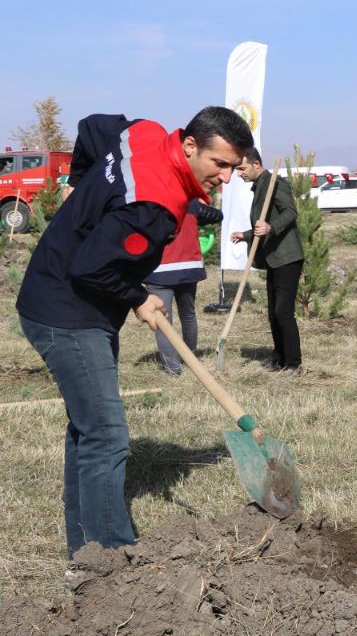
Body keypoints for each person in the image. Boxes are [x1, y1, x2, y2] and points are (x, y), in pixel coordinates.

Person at [16, 107, 252, 559]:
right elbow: (91, 268)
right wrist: (140, 297)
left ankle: (84, 554)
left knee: (88, 431)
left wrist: (79, 183)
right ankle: (113, 561)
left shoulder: (144, 133)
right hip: (68, 312)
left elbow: (90, 126)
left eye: (233, 167)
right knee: (105, 435)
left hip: (57, 292)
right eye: (219, 164)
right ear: (189, 146)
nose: (226, 177)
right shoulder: (154, 209)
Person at [229, 148, 304, 371]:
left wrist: (272, 227)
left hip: (287, 257)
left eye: (241, 168)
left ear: (257, 164)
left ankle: (293, 363)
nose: (238, 173)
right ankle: (279, 358)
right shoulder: (260, 185)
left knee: (283, 312)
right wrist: (246, 235)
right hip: (273, 258)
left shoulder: (274, 183)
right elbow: (262, 226)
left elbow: (290, 212)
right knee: (273, 313)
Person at [142, 200, 223, 375]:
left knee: (163, 321)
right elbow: (218, 215)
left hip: (159, 271)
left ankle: (173, 368)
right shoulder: (190, 204)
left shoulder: (149, 204)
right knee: (188, 315)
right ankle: (190, 359)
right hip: (188, 269)